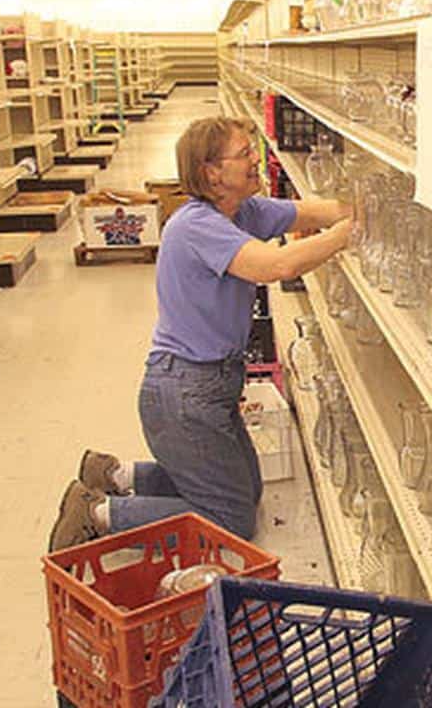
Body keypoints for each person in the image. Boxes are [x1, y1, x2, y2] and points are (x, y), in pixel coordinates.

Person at [49, 116, 352, 551]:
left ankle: (113, 475)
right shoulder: (197, 225)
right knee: (230, 519)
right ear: (212, 172)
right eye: (245, 153)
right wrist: (349, 234)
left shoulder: (240, 211)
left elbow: (309, 211)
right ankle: (97, 514)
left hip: (210, 386)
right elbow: (277, 266)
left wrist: (362, 207)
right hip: (185, 393)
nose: (256, 160)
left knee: (246, 490)